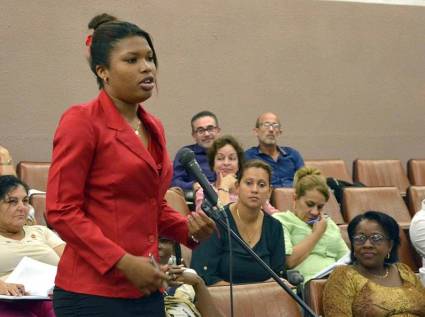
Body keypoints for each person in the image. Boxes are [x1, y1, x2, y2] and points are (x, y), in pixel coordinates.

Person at [46, 21, 215, 317]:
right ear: (103, 71)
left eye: (149, 58)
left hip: (146, 288)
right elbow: (61, 210)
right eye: (131, 60)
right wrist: (123, 261)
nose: (147, 67)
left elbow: (150, 205)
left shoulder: (154, 127)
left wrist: (188, 228)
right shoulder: (81, 121)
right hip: (90, 294)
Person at [191, 160, 286, 286]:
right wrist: (244, 295)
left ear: (269, 191)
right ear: (237, 187)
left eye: (262, 185)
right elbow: (204, 276)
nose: (255, 190)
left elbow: (278, 276)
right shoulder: (216, 221)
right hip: (220, 300)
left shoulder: (275, 227)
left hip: (264, 300)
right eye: (249, 183)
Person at [323, 211, 425, 316]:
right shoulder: (343, 276)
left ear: (390, 245)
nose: (367, 245)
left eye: (376, 238)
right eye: (360, 238)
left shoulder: (404, 271)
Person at [0, 175, 65, 317]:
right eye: (12, 202)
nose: (22, 208)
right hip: (6, 302)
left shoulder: (41, 231)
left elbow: (72, 263)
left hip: (50, 298)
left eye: (25, 201)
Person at [272, 167, 349, 283]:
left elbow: (347, 258)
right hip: (305, 287)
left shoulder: (328, 223)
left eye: (320, 207)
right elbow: (289, 261)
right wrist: (317, 233)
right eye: (309, 204)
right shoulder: (281, 221)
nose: (315, 212)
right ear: (295, 198)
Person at [195, 135, 277, 214]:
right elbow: (219, 221)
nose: (226, 163)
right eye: (220, 158)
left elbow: (276, 217)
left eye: (232, 158)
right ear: (213, 164)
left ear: (238, 165)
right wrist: (225, 186)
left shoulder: (250, 190)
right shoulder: (204, 192)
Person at [158, 238, 223, 317]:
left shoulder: (189, 277)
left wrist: (198, 282)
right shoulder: (140, 284)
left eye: (163, 240)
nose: (157, 246)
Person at [245, 112, 304, 188]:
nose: (271, 129)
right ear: (256, 131)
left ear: (279, 132)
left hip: (293, 197)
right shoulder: (248, 157)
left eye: (275, 126)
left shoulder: (293, 154)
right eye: (266, 125)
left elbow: (306, 182)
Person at [171, 111, 221, 191]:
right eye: (201, 131)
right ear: (194, 136)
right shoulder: (185, 154)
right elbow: (174, 182)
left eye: (210, 129)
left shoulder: (229, 153)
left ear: (218, 131)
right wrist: (192, 185)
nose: (207, 134)